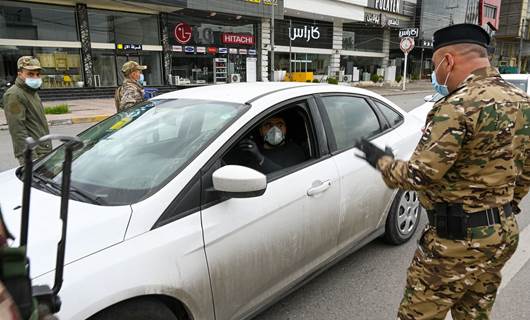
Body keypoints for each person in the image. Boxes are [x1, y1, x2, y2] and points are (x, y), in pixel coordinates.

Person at [356, 23, 529, 320]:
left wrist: (382, 162)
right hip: (501, 234)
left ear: (448, 61)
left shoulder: (456, 106)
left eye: (435, 66)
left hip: (456, 242)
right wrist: (503, 206)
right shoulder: (521, 102)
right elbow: (526, 173)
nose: (435, 75)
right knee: (474, 313)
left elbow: (419, 175)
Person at [2, 56, 51, 165]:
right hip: (33, 155)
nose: (35, 77)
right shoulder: (14, 95)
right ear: (20, 74)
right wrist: (30, 157)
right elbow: (17, 129)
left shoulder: (32, 92)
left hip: (43, 150)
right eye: (30, 74)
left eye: (37, 74)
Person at [236, 115, 306, 174]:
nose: (275, 130)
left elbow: (285, 177)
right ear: (261, 131)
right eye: (268, 125)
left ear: (285, 129)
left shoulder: (294, 151)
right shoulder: (252, 150)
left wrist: (260, 157)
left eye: (280, 125)